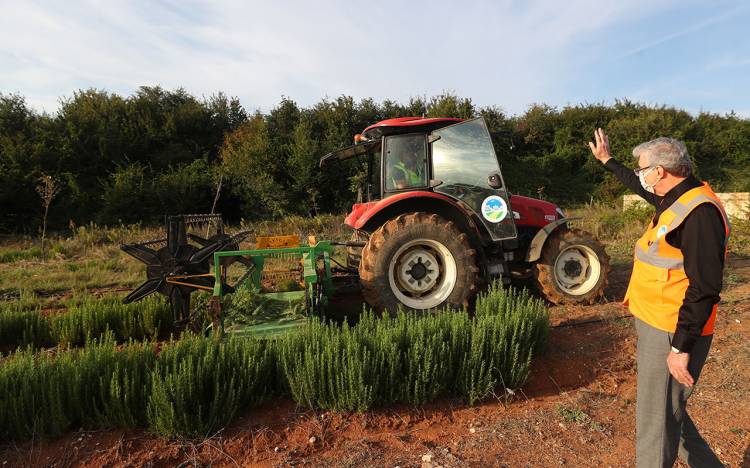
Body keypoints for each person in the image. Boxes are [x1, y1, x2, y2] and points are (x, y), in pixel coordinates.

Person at [588, 128, 729, 468]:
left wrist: (680, 349)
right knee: (667, 416)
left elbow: (705, 288)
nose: (640, 175)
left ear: (660, 172)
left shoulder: (699, 213)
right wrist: (608, 161)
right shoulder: (677, 195)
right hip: (657, 321)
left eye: (642, 169)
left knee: (655, 424)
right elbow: (638, 187)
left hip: (672, 330)